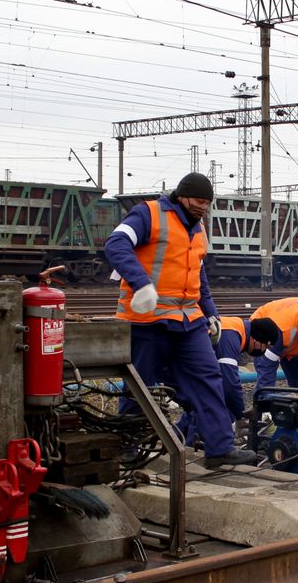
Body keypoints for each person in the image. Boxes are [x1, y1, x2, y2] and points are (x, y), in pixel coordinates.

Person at [104, 172, 257, 467]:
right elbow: (116, 244)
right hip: (146, 321)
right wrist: (141, 283)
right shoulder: (148, 214)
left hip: (188, 322)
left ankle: (220, 448)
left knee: (209, 379)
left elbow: (198, 275)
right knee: (139, 386)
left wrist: (211, 313)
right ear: (182, 196)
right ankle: (127, 446)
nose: (203, 208)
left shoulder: (198, 229)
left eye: (207, 203)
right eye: (199, 201)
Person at [174, 315, 281, 443]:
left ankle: (176, 437)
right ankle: (195, 447)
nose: (263, 351)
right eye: (265, 346)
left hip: (185, 363)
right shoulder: (231, 336)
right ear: (257, 339)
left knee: (203, 402)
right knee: (211, 402)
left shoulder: (237, 328)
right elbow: (229, 383)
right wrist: (241, 415)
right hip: (180, 364)